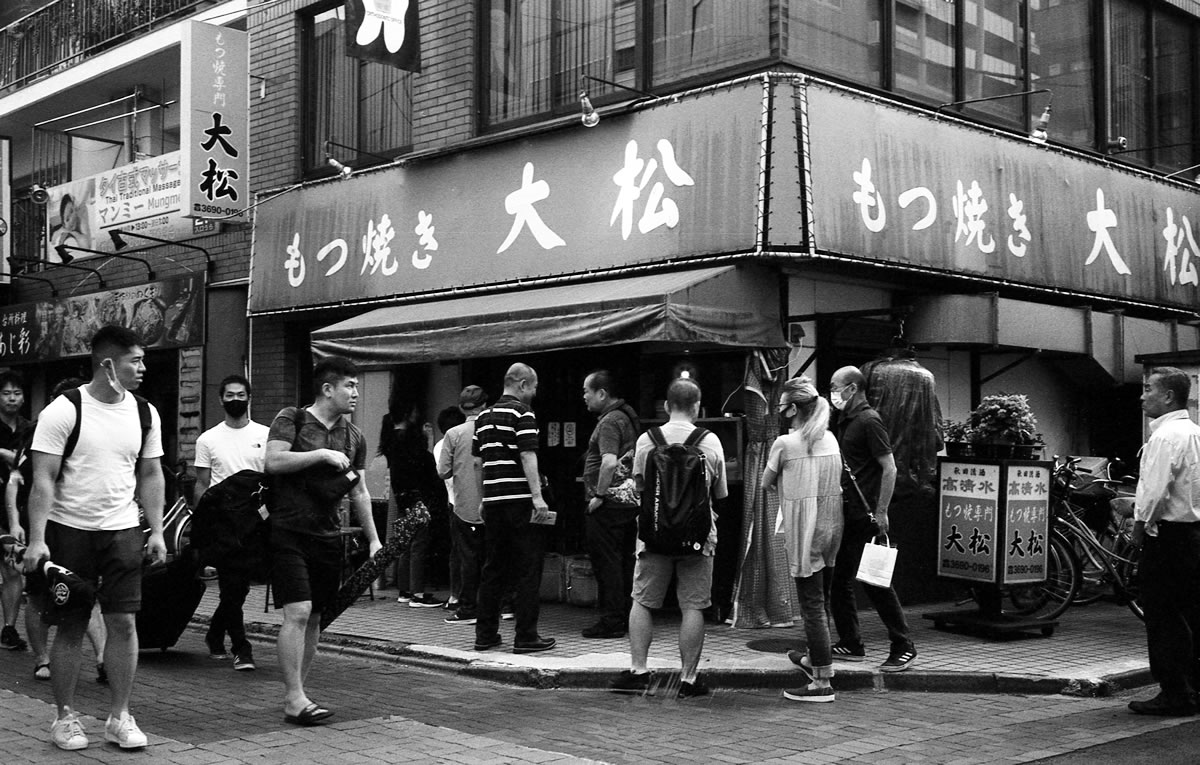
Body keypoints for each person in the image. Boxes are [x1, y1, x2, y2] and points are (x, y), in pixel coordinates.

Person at [23, 325, 166, 750]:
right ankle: (64, 718)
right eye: (134, 361)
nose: (142, 368)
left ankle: (120, 716)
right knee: (72, 624)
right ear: (108, 364)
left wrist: (157, 530)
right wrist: (36, 539)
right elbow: (42, 480)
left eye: (142, 360)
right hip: (70, 531)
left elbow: (151, 473)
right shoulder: (63, 411)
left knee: (123, 623)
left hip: (123, 530)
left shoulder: (145, 412)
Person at [264, 355, 381, 726]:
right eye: (350, 385)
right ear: (327, 389)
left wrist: (375, 541)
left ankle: (296, 693)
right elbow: (273, 462)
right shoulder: (292, 418)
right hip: (288, 530)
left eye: (358, 386)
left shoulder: (355, 436)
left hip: (328, 536)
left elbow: (359, 492)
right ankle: (295, 698)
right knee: (297, 611)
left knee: (314, 617)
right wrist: (320, 455)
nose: (356, 393)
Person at [611, 376, 727, 698]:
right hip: (698, 536)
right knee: (693, 606)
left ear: (666, 405)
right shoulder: (711, 441)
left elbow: (640, 488)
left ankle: (639, 672)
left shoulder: (647, 440)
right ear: (698, 408)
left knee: (644, 601)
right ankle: (688, 679)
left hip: (654, 535)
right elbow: (719, 492)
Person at [8, 377, 107, 684]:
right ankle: (42, 658)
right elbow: (17, 481)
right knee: (38, 595)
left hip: (83, 526)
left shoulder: (98, 431)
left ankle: (103, 658)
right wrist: (16, 525)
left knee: (87, 593)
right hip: (43, 527)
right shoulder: (37, 432)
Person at [826, 366, 917, 672]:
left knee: (875, 581)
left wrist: (881, 511)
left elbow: (889, 467)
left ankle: (903, 644)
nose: (833, 394)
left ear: (852, 388)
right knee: (840, 582)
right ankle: (851, 641)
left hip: (865, 516)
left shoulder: (868, 420)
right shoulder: (844, 420)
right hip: (847, 513)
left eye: (835, 387)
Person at [762, 376, 844, 702]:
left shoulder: (785, 443)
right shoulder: (832, 440)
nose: (781, 413)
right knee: (821, 601)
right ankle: (814, 658)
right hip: (831, 528)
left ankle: (822, 681)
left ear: (794, 408)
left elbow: (767, 481)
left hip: (805, 530)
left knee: (811, 607)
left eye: (782, 408)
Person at [1127, 367, 1200, 717]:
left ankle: (1174, 692)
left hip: (1168, 537)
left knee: (1162, 615)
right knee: (1189, 612)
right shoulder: (1195, 433)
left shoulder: (1164, 438)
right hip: (1194, 535)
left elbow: (1154, 493)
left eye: (1148, 389)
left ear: (1168, 396)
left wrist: (1138, 529)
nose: (1142, 396)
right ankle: (1192, 687)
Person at [472, 363, 555, 654]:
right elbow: (527, 454)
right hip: (520, 500)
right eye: (533, 387)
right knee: (527, 568)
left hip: (493, 502)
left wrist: (483, 498)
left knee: (493, 568)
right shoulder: (523, 413)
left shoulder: (482, 417)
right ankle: (526, 636)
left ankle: (485, 635)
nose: (534, 393)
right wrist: (537, 496)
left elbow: (479, 462)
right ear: (522, 385)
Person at [193, 374, 270, 671]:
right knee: (232, 586)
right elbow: (201, 485)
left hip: (256, 523)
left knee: (240, 589)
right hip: (223, 523)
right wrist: (201, 527)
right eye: (229, 395)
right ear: (221, 399)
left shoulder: (265, 435)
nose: (235, 399)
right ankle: (242, 648)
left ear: (249, 398)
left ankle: (214, 634)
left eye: (241, 394)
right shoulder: (208, 439)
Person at [580, 370, 640, 639]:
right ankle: (624, 615)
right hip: (627, 502)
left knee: (607, 563)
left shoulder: (609, 421)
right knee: (623, 561)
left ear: (602, 393)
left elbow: (609, 461)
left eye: (587, 391)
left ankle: (612, 620)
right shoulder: (627, 415)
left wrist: (599, 495)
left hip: (610, 504)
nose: (584, 397)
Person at [380, 383, 445, 608]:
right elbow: (426, 465)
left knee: (406, 543)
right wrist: (428, 439)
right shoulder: (408, 438)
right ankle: (417, 593)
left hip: (401, 496)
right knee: (419, 542)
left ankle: (404, 591)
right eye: (415, 410)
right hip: (417, 496)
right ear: (408, 412)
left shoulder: (390, 437)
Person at [437, 386, 486, 625]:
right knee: (495, 557)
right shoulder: (492, 429)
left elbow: (443, 471)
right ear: (485, 405)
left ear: (461, 408)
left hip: (464, 505)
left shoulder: (454, 434)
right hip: (494, 503)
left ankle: (468, 608)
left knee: (468, 558)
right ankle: (502, 605)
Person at [0, 371, 31, 651]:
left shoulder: (28, 428)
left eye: (17, 393)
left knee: (12, 569)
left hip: (15, 508)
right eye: (6, 393)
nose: (12, 398)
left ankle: (8, 628)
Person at [433, 405, 466, 611]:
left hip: (452, 501)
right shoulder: (464, 439)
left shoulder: (438, 446)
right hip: (466, 501)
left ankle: (455, 595)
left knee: (457, 552)